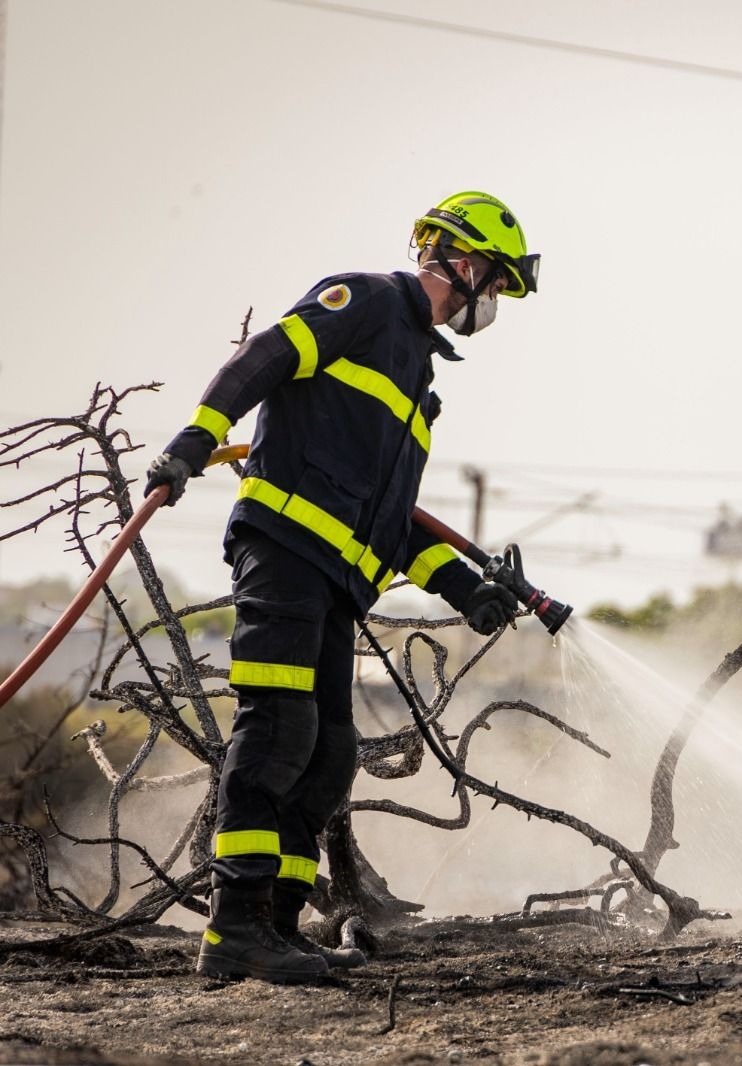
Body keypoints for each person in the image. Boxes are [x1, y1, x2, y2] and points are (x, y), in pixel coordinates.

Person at [144, 192, 537, 983]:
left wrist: (466, 591)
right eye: (492, 284)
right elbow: (264, 357)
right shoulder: (362, 301)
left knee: (328, 757)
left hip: (338, 583)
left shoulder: (419, 387)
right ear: (461, 263)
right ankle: (234, 928)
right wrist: (197, 438)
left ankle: (278, 928)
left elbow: (393, 525)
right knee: (279, 726)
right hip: (285, 552)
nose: (489, 303)